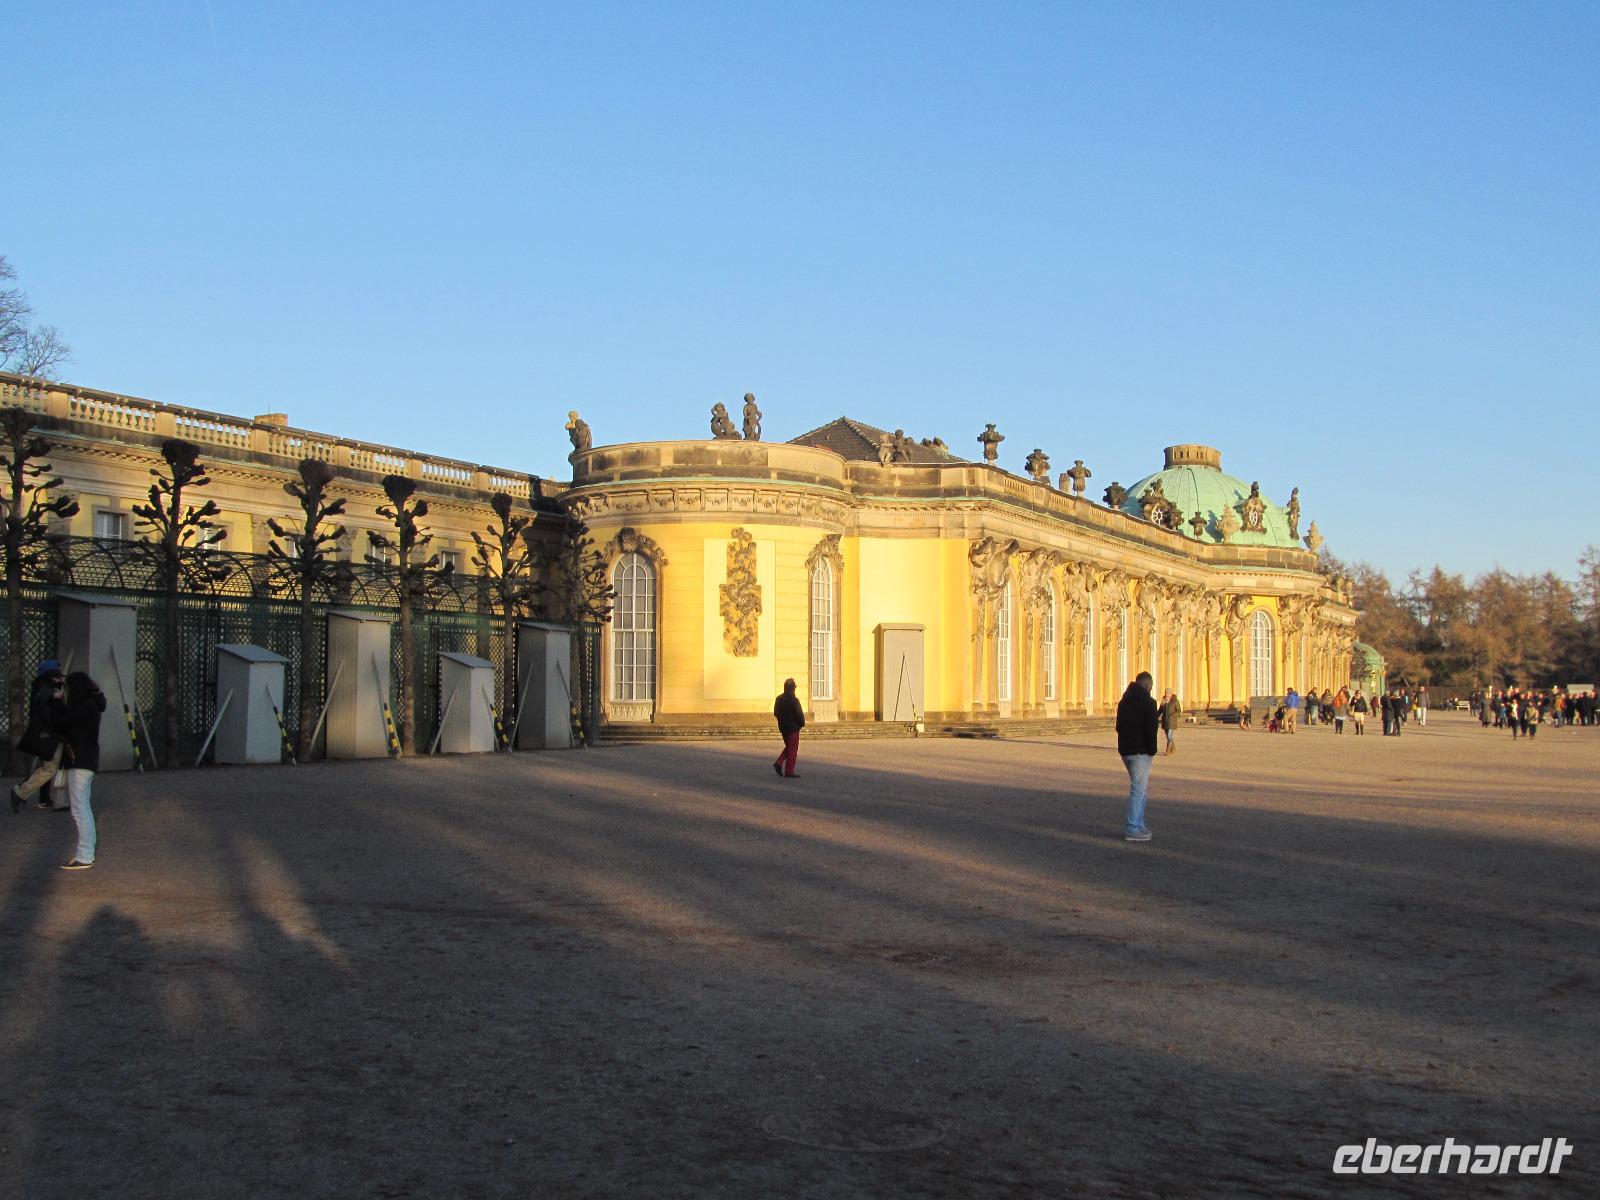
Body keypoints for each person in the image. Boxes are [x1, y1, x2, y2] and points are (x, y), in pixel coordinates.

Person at [55, 671, 106, 870]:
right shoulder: (93, 704)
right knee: (82, 807)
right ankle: (85, 854)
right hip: (87, 759)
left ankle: (85, 855)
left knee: (80, 809)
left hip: (79, 760)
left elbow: (61, 722)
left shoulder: (81, 706)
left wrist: (57, 702)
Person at [10, 662, 66, 813]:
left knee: (47, 767)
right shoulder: (45, 689)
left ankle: (43, 798)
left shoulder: (42, 686)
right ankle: (21, 791)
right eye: (57, 676)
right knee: (50, 768)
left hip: (46, 735)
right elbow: (44, 704)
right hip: (48, 735)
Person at [1116, 672, 1159, 842]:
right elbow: (1151, 730)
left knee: (1140, 789)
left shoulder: (1124, 702)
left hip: (1125, 750)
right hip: (1141, 752)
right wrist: (1152, 750)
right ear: (1148, 686)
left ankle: (1139, 824)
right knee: (1138, 790)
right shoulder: (1149, 703)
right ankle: (1132, 827)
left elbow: (1119, 727)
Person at [772, 678, 805, 778]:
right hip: (793, 728)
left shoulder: (779, 699)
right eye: (795, 687)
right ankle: (789, 771)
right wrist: (801, 724)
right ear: (792, 688)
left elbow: (775, 713)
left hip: (783, 727)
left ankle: (779, 763)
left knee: (789, 747)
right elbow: (799, 714)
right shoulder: (794, 700)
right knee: (792, 750)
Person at [1159, 689, 1181, 756]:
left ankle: (1168, 750)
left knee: (1169, 735)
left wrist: (1173, 715)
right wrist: (1155, 716)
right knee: (1168, 736)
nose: (1166, 694)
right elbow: (1160, 710)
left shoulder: (1175, 701)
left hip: (1172, 721)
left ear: (1171, 693)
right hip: (1165, 721)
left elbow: (1179, 710)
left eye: (1168, 693)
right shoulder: (1163, 700)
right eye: (1166, 692)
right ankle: (1173, 748)